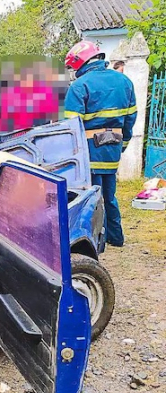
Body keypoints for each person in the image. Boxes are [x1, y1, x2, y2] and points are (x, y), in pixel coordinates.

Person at [64, 40, 137, 247]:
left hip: (88, 151)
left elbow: (72, 126)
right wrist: (122, 145)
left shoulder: (80, 86)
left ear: (80, 63)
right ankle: (116, 236)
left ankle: (98, 242)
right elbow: (130, 119)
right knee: (109, 195)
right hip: (113, 148)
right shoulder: (125, 82)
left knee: (91, 197)